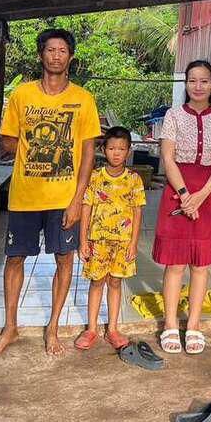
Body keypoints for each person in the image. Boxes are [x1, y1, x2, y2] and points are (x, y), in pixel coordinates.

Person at [0, 28, 101, 357]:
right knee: (14, 258)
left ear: (71, 57)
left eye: (62, 50)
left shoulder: (83, 99)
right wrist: (32, 143)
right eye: (50, 50)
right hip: (25, 195)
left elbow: (88, 154)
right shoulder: (22, 95)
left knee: (64, 259)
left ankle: (52, 327)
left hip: (64, 198)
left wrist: (78, 199)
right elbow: (7, 140)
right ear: (41, 55)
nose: (56, 56)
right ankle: (10, 327)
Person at [153, 59, 211, 355]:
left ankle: (194, 325)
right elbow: (168, 157)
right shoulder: (173, 115)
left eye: (204, 81)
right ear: (185, 84)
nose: (197, 86)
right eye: (192, 80)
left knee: (201, 265)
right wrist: (185, 195)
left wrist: (201, 196)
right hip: (178, 191)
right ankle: (170, 324)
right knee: (175, 263)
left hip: (210, 193)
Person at [75, 126, 145, 351]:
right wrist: (83, 241)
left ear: (128, 151)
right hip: (98, 242)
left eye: (121, 149)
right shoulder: (95, 177)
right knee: (97, 282)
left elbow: (137, 211)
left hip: (123, 243)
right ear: (103, 149)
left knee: (115, 282)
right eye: (112, 148)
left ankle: (113, 329)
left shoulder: (134, 179)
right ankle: (91, 329)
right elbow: (86, 208)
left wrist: (133, 243)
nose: (116, 153)